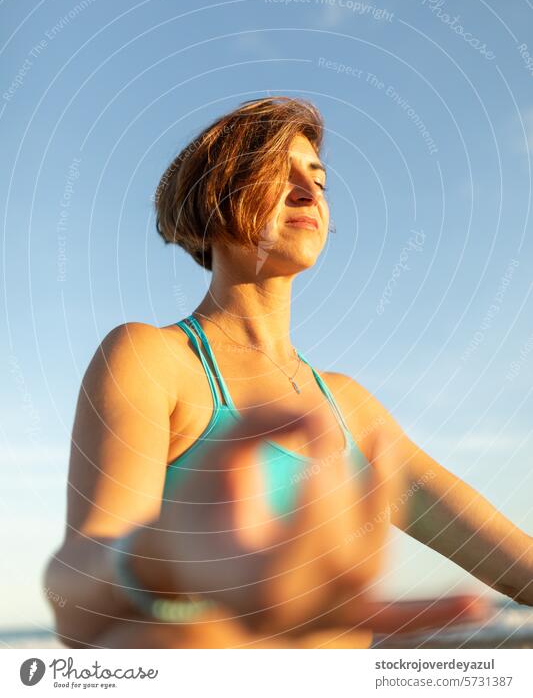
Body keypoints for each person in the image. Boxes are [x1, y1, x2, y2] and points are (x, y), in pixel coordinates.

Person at [44, 97, 530, 649]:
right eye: (278, 174)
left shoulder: (350, 405)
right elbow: (76, 603)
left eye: (318, 181)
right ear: (215, 194)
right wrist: (170, 558)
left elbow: (513, 566)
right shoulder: (152, 358)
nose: (307, 192)